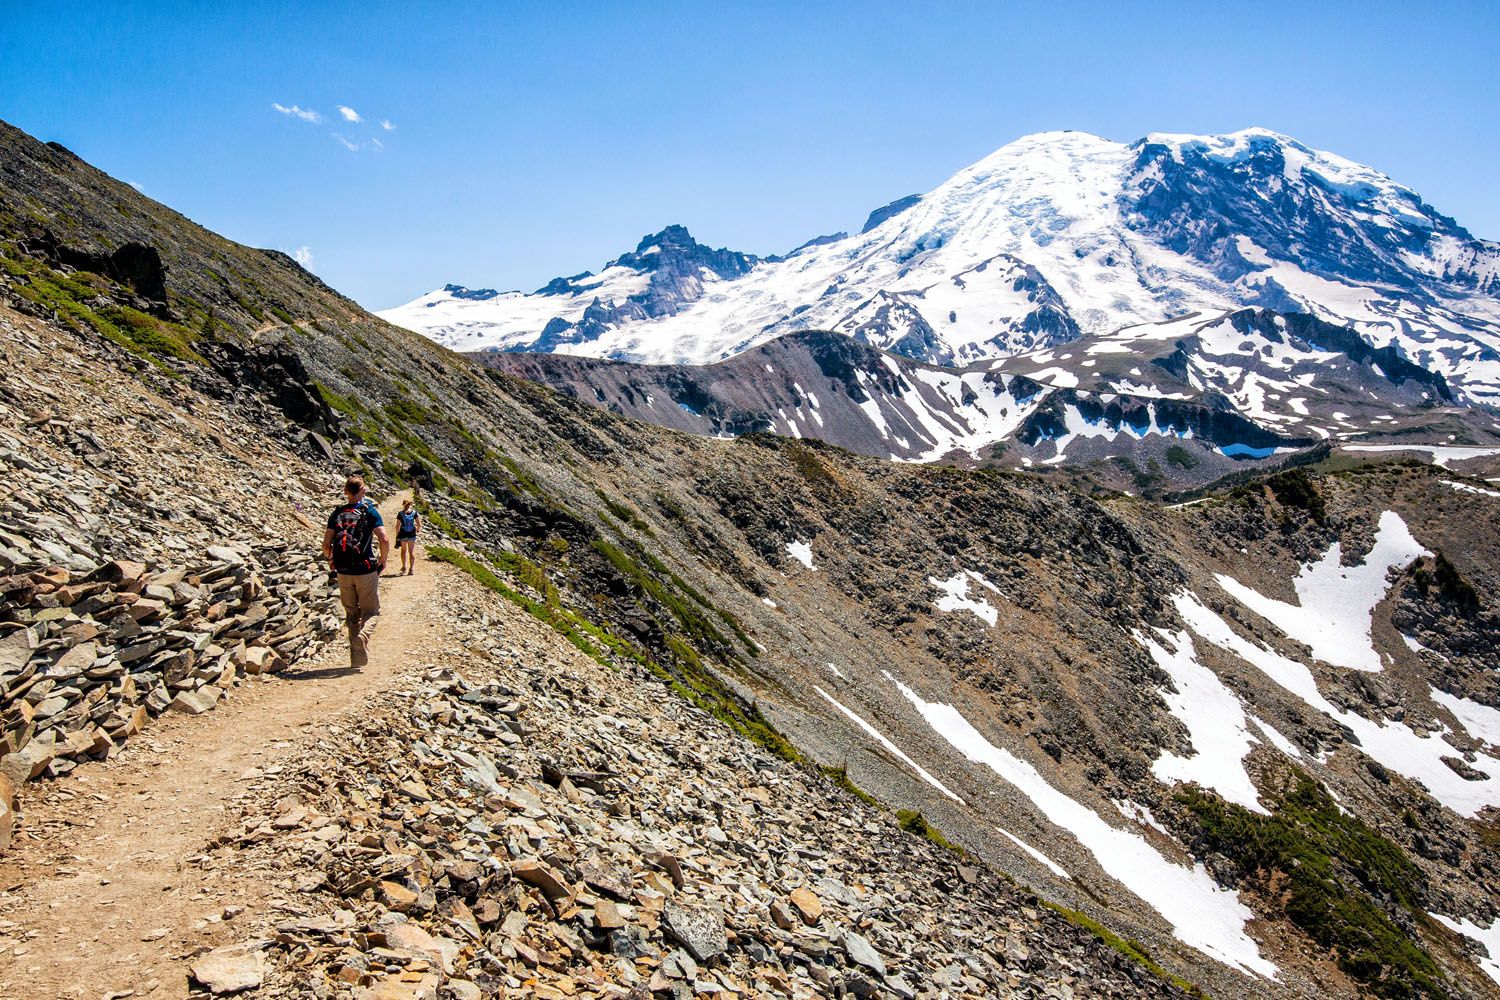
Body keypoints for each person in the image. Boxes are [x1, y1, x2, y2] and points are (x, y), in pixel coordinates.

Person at [322, 475, 389, 667]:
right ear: (362, 491)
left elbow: (326, 544)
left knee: (351, 613)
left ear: (345, 492)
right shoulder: (370, 512)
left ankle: (356, 657)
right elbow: (384, 539)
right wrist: (383, 560)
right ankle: (363, 636)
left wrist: (332, 561)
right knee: (372, 612)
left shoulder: (337, 513)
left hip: (343, 570)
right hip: (365, 569)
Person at [394, 498, 421, 575]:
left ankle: (403, 568)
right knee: (411, 551)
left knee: (403, 551)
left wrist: (397, 536)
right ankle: (411, 569)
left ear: (403, 504)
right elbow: (419, 524)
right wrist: (417, 531)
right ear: (410, 505)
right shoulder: (414, 513)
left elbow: (397, 526)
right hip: (412, 534)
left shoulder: (400, 514)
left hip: (403, 534)